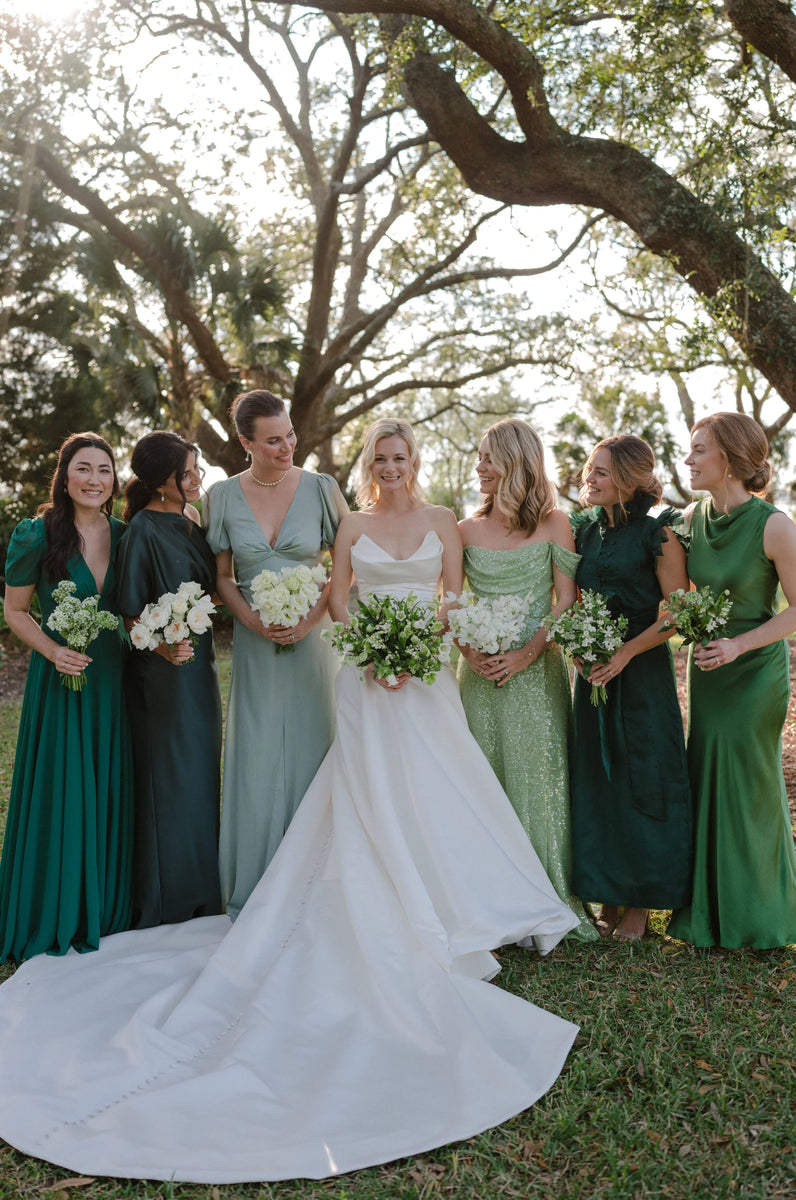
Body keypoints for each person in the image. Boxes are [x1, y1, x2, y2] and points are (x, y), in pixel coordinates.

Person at [0, 417, 579, 1184]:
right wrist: (372, 649)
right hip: (367, 672)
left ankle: (464, 899)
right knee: (365, 789)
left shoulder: (444, 520)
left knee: (444, 786)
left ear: (415, 460)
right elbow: (339, 596)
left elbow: (452, 597)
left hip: (425, 675)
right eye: (382, 456)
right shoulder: (348, 522)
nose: (392, 465)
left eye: (402, 455)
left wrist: (418, 648)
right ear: (371, 463)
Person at [204, 389, 349, 917]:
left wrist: (310, 619)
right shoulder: (221, 497)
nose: (287, 447)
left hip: (313, 640)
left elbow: (347, 564)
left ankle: (319, 883)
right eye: (272, 441)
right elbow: (222, 576)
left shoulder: (321, 488)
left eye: (289, 435)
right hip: (254, 641)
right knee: (258, 753)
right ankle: (258, 881)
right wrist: (252, 621)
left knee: (315, 745)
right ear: (245, 443)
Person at [456, 418, 596, 940]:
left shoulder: (557, 524)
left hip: (538, 674)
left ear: (516, 461)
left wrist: (528, 653)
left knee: (540, 781)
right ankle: (489, 904)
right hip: (479, 675)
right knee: (482, 780)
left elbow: (565, 599)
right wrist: (471, 651)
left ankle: (544, 897)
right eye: (479, 457)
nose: (480, 466)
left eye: (488, 457)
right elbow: (453, 600)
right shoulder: (464, 530)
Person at [668, 413, 796, 949]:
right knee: (707, 775)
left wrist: (739, 645)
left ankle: (762, 918)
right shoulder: (688, 520)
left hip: (755, 671)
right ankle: (708, 915)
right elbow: (677, 596)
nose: (689, 459)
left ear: (729, 458)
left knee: (749, 786)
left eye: (699, 449)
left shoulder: (775, 525)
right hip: (709, 671)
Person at [0, 432, 133, 961]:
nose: (94, 479)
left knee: (105, 784)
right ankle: (51, 909)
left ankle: (102, 905)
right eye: (83, 468)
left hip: (114, 681)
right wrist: (54, 651)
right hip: (59, 681)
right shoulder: (36, 534)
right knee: (63, 787)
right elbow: (15, 612)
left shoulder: (126, 535)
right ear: (64, 476)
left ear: (115, 480)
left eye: (104, 469)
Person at [570, 435, 693, 941]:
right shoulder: (583, 530)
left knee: (644, 777)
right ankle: (608, 895)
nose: (590, 478)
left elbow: (678, 610)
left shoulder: (657, 530)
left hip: (640, 671)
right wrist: (578, 645)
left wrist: (624, 653)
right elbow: (576, 599)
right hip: (594, 672)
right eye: (590, 469)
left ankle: (640, 903)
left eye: (601, 471)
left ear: (628, 479)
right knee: (599, 779)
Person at [116, 430, 222, 928]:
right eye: (186, 473)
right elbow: (129, 612)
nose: (196, 478)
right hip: (161, 676)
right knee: (169, 780)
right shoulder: (142, 529)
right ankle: (167, 901)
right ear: (161, 481)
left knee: (200, 775)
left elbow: (210, 590)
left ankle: (203, 894)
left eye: (197, 469)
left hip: (200, 669)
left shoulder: (192, 520)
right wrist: (163, 645)